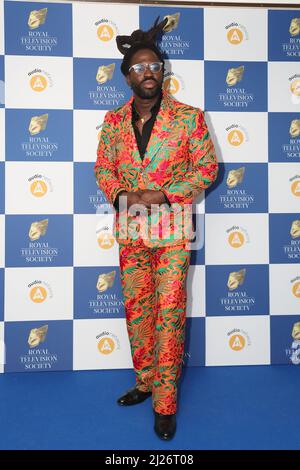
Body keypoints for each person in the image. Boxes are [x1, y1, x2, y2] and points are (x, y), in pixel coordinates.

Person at [94, 18, 218, 440]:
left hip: (172, 234)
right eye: (140, 67)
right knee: (137, 312)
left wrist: (164, 194)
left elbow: (208, 168)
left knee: (168, 315)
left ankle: (165, 403)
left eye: (156, 66)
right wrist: (121, 197)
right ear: (127, 75)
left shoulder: (189, 119)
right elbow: (103, 168)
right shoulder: (112, 122)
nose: (149, 72)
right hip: (130, 233)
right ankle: (145, 381)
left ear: (163, 72)